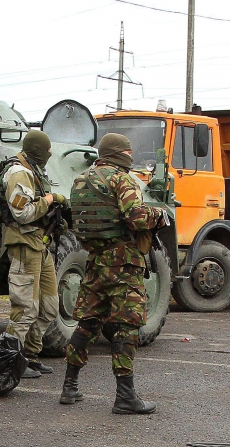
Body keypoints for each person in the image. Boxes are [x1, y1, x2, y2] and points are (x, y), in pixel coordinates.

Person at [59, 132, 168, 414]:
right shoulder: (121, 179)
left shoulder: (81, 180)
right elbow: (137, 217)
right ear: (122, 154)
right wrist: (159, 216)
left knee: (88, 322)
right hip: (124, 263)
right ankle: (125, 396)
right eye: (129, 153)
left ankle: (69, 386)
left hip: (96, 261)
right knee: (126, 325)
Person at [1, 130, 61, 377]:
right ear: (37, 150)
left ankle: (31, 355)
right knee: (24, 307)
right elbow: (22, 213)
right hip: (24, 245)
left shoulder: (34, 171)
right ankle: (9, 360)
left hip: (40, 243)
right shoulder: (19, 173)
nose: (49, 154)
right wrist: (49, 199)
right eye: (46, 150)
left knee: (48, 306)